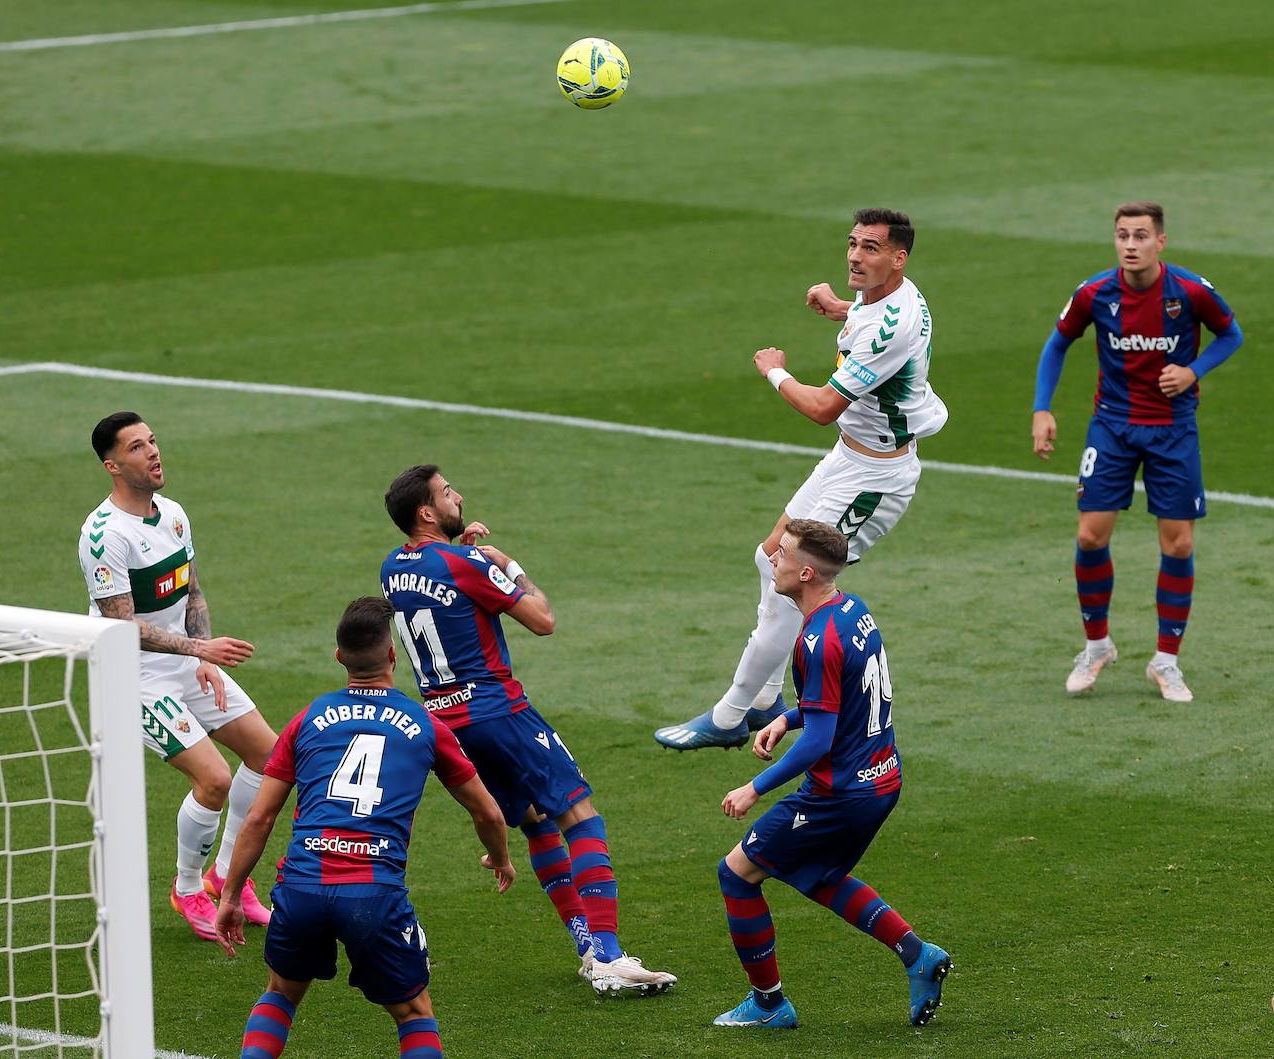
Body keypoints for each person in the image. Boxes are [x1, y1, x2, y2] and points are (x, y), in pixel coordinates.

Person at [655, 207, 948, 751]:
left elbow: (820, 406)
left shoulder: (892, 326)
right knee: (770, 558)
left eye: (872, 248)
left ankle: (728, 714)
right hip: (849, 457)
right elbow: (868, 316)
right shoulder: (886, 294)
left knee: (797, 588)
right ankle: (765, 700)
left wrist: (773, 369)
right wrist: (842, 308)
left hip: (875, 478)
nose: (857, 256)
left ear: (898, 257)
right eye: (853, 243)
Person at [380, 465, 676, 997]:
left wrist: (467, 560)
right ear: (427, 512)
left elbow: (443, 589)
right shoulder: (466, 562)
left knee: (538, 823)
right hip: (498, 711)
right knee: (579, 815)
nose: (459, 496)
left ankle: (587, 947)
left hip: (446, 724)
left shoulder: (391, 568)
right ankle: (609, 957)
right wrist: (507, 565)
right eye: (448, 493)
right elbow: (542, 619)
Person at [215, 597, 513, 1059]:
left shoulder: (308, 718)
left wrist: (231, 895)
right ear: (393, 656)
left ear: (339, 658)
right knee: (414, 1013)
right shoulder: (425, 724)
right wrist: (500, 857)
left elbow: (259, 816)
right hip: (373, 893)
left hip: (302, 887)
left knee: (279, 994)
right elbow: (488, 813)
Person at [713, 519, 951, 1029]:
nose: (772, 558)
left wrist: (753, 788)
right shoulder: (852, 611)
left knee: (737, 873)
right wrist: (787, 715)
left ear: (803, 572)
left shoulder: (816, 640)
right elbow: (845, 699)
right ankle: (917, 955)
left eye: (782, 555)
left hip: (840, 791)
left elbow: (820, 741)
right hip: (882, 778)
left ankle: (769, 1005)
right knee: (817, 874)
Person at [1031, 202, 1243, 702]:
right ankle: (1097, 646)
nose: (1130, 244)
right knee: (1089, 535)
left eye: (1141, 236)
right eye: (1123, 235)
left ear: (1160, 243)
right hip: (1112, 428)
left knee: (1179, 544)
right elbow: (1056, 344)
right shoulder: (1095, 293)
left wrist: (1194, 371)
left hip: (1173, 431)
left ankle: (1166, 661)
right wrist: (1043, 409)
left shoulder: (1189, 291)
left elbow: (1230, 335)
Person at [78, 411, 277, 939]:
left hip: (187, 660)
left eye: (153, 441)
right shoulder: (103, 536)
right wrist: (199, 647)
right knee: (212, 779)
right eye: (138, 447)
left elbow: (192, 591)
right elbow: (122, 626)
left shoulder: (173, 515)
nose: (154, 452)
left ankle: (229, 879)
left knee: (270, 755)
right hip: (134, 677)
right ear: (113, 465)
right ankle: (187, 890)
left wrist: (204, 658)